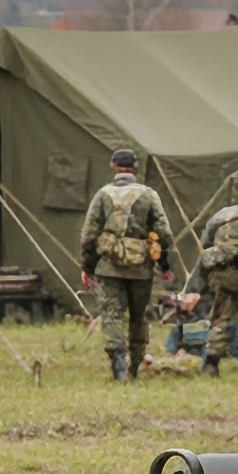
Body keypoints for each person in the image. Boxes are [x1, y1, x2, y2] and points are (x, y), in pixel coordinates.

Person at [78, 148, 172, 382]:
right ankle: (136, 364)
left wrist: (88, 266)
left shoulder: (102, 195)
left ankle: (117, 365)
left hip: (109, 267)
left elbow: (89, 234)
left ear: (113, 166)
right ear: (135, 168)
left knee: (111, 314)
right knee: (139, 316)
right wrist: (164, 263)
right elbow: (164, 233)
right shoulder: (148, 195)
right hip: (141, 269)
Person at [190, 183, 238, 373]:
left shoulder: (223, 214)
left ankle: (211, 362)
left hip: (218, 273)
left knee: (219, 318)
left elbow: (206, 240)